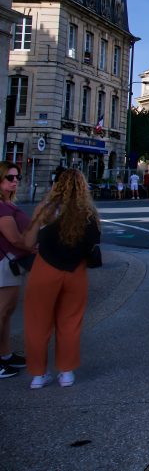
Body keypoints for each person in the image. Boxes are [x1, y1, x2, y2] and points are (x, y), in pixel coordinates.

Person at [22, 169, 101, 389]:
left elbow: (28, 242)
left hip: (45, 267)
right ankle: (66, 372)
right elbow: (94, 242)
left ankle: (38, 374)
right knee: (70, 322)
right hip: (75, 270)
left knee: (37, 322)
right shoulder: (88, 213)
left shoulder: (47, 210)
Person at [0, 162, 31, 378]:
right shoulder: (2, 207)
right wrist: (35, 247)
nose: (15, 181)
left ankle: (5, 354)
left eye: (16, 177)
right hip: (4, 262)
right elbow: (14, 238)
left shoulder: (7, 204)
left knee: (7, 312)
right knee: (2, 311)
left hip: (10, 263)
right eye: (9, 178)